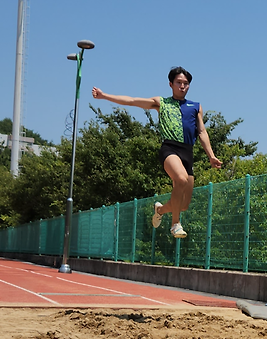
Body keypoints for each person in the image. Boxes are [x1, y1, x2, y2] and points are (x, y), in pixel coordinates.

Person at [92, 66, 222, 238]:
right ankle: (175, 224)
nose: (182, 86)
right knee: (180, 179)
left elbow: (202, 132)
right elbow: (132, 101)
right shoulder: (161, 103)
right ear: (171, 84)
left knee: (183, 204)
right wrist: (104, 96)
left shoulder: (196, 107)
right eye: (179, 83)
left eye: (186, 83)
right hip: (170, 149)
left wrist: (211, 156)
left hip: (187, 152)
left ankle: (159, 210)